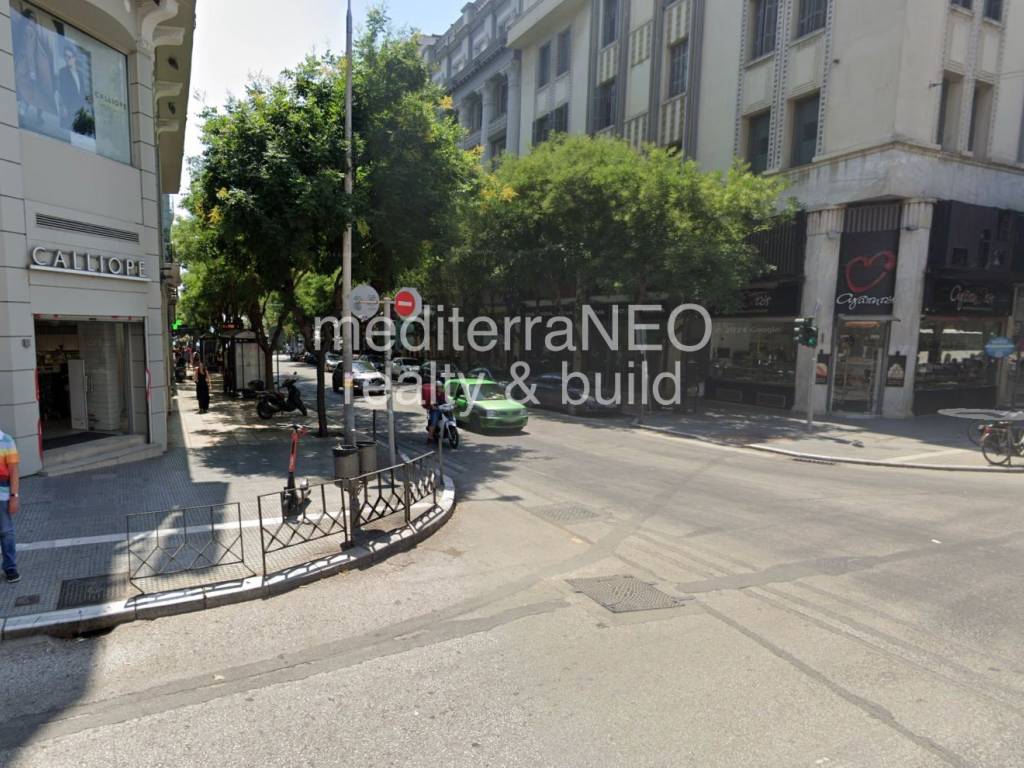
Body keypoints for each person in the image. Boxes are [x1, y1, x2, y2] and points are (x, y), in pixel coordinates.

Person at [0, 427, 21, 583]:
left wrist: (14, 496)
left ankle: (10, 567)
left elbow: (14, 471)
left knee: (6, 532)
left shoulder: (7, 441)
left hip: (2, 496)